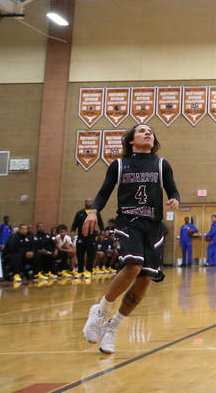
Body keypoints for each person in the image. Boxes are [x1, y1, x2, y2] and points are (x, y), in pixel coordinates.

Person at [81, 123, 181, 355]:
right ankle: (100, 311)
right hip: (128, 222)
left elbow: (173, 190)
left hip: (154, 226)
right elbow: (104, 192)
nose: (147, 133)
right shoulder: (118, 165)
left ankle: (113, 327)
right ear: (131, 140)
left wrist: (175, 199)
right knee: (133, 265)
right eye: (141, 131)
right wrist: (93, 211)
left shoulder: (161, 164)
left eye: (150, 132)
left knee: (145, 279)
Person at [72, 198, 103, 277]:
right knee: (80, 255)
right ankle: (80, 271)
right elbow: (74, 225)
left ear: (92, 203)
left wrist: (100, 234)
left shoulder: (96, 214)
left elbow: (101, 225)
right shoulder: (79, 213)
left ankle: (89, 271)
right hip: (81, 237)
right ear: (84, 203)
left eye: (89, 201)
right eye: (86, 201)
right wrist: (72, 232)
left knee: (90, 255)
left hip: (92, 237)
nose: (88, 203)